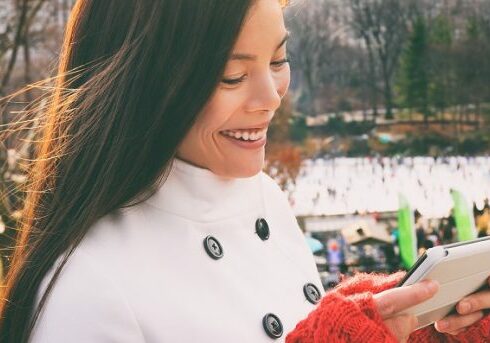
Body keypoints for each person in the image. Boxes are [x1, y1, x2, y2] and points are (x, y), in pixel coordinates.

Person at [0, 0, 489, 342]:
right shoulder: (90, 286)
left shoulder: (265, 200)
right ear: (146, 83)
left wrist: (414, 326)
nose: (272, 96)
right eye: (232, 76)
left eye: (278, 60)